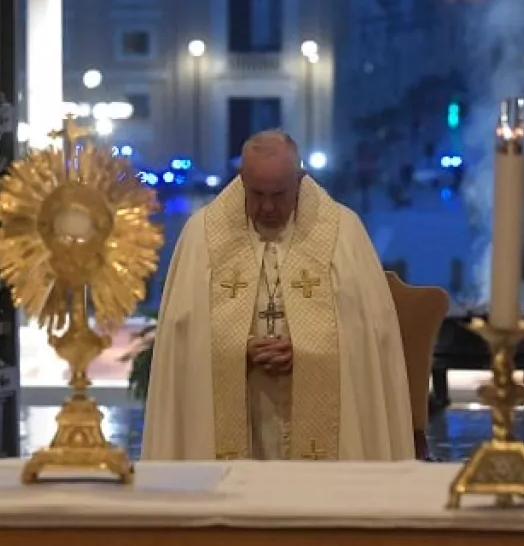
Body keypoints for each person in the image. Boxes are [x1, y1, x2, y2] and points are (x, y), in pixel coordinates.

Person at [142, 130, 417, 462]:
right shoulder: (202, 236)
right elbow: (181, 336)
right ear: (241, 179)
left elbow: (371, 337)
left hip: (321, 416)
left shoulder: (343, 232)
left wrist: (307, 347)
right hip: (240, 412)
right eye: (256, 194)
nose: (268, 206)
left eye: (279, 194)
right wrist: (235, 348)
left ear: (300, 179)